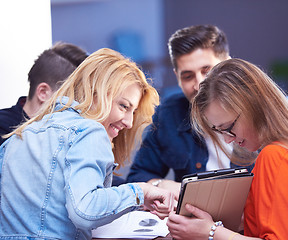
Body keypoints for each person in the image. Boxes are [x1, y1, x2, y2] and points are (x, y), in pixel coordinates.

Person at [0, 48, 175, 239]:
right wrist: (140, 191)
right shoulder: (89, 130)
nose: (129, 122)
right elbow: (86, 210)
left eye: (132, 112)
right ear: (94, 92)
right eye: (123, 106)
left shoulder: (20, 134)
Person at [167, 58, 288, 239]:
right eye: (220, 131)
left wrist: (211, 232)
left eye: (229, 127)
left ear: (252, 106)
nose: (228, 140)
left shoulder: (276, 156)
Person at [126, 25, 255, 196]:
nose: (199, 84)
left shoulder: (258, 109)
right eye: (187, 76)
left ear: (228, 65)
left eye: (207, 71)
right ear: (177, 77)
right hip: (192, 216)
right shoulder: (169, 113)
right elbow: (137, 178)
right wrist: (164, 186)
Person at [0, 42, 88, 145]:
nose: (78, 106)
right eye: (73, 97)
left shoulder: (68, 134)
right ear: (43, 92)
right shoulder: (4, 131)